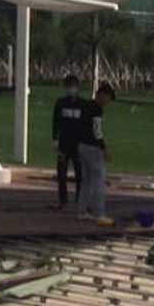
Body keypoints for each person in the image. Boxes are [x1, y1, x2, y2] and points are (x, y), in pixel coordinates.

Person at [77, 82, 115, 223]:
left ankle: (82, 211)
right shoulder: (97, 109)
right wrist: (104, 148)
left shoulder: (86, 105)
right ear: (103, 95)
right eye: (108, 99)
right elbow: (97, 131)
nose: (108, 103)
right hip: (93, 148)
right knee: (99, 181)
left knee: (86, 181)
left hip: (82, 146)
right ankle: (99, 213)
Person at [51, 73, 89, 210]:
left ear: (78, 87)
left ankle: (80, 200)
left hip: (78, 144)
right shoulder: (61, 103)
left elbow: (87, 124)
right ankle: (63, 200)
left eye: (73, 86)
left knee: (80, 173)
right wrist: (55, 139)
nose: (71, 89)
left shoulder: (83, 104)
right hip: (64, 143)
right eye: (69, 86)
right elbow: (55, 122)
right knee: (61, 172)